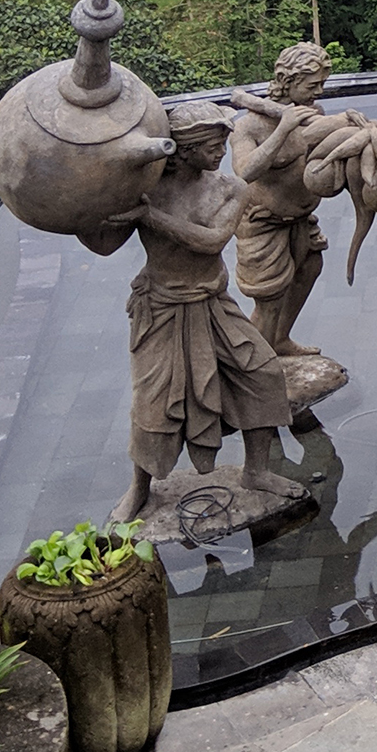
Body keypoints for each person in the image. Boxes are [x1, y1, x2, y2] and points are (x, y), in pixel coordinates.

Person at [85, 102, 298, 523]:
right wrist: (80, 210)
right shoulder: (146, 190)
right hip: (161, 307)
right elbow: (105, 245)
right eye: (212, 146)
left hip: (214, 303)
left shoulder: (231, 189)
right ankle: (139, 488)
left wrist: (150, 216)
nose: (222, 152)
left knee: (263, 374)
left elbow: (211, 241)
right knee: (154, 403)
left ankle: (256, 471)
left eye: (222, 143)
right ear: (184, 150)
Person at [227, 43, 339, 357]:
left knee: (309, 268)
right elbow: (244, 172)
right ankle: (255, 367)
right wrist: (284, 128)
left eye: (322, 84)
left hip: (301, 221)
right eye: (312, 85)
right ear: (285, 80)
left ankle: (280, 340)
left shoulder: (311, 115)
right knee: (270, 299)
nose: (319, 92)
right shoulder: (248, 126)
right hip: (264, 224)